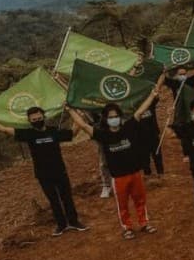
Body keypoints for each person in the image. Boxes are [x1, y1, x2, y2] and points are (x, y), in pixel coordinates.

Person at [0, 107, 89, 237]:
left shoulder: (53, 131)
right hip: (43, 174)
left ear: (44, 117)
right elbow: (4, 128)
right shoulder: (28, 134)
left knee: (67, 198)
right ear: (29, 120)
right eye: (34, 119)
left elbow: (73, 133)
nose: (37, 121)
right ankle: (61, 225)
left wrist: (79, 117)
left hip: (60, 171)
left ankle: (74, 222)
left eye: (39, 118)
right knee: (53, 200)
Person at [68, 87, 160, 240]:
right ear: (106, 119)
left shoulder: (129, 128)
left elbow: (139, 111)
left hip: (135, 173)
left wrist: (152, 95)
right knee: (122, 205)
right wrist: (70, 110)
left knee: (140, 200)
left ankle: (144, 223)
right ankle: (127, 228)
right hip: (119, 178)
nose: (114, 118)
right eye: (111, 116)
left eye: (116, 116)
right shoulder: (103, 135)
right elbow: (84, 126)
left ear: (120, 117)